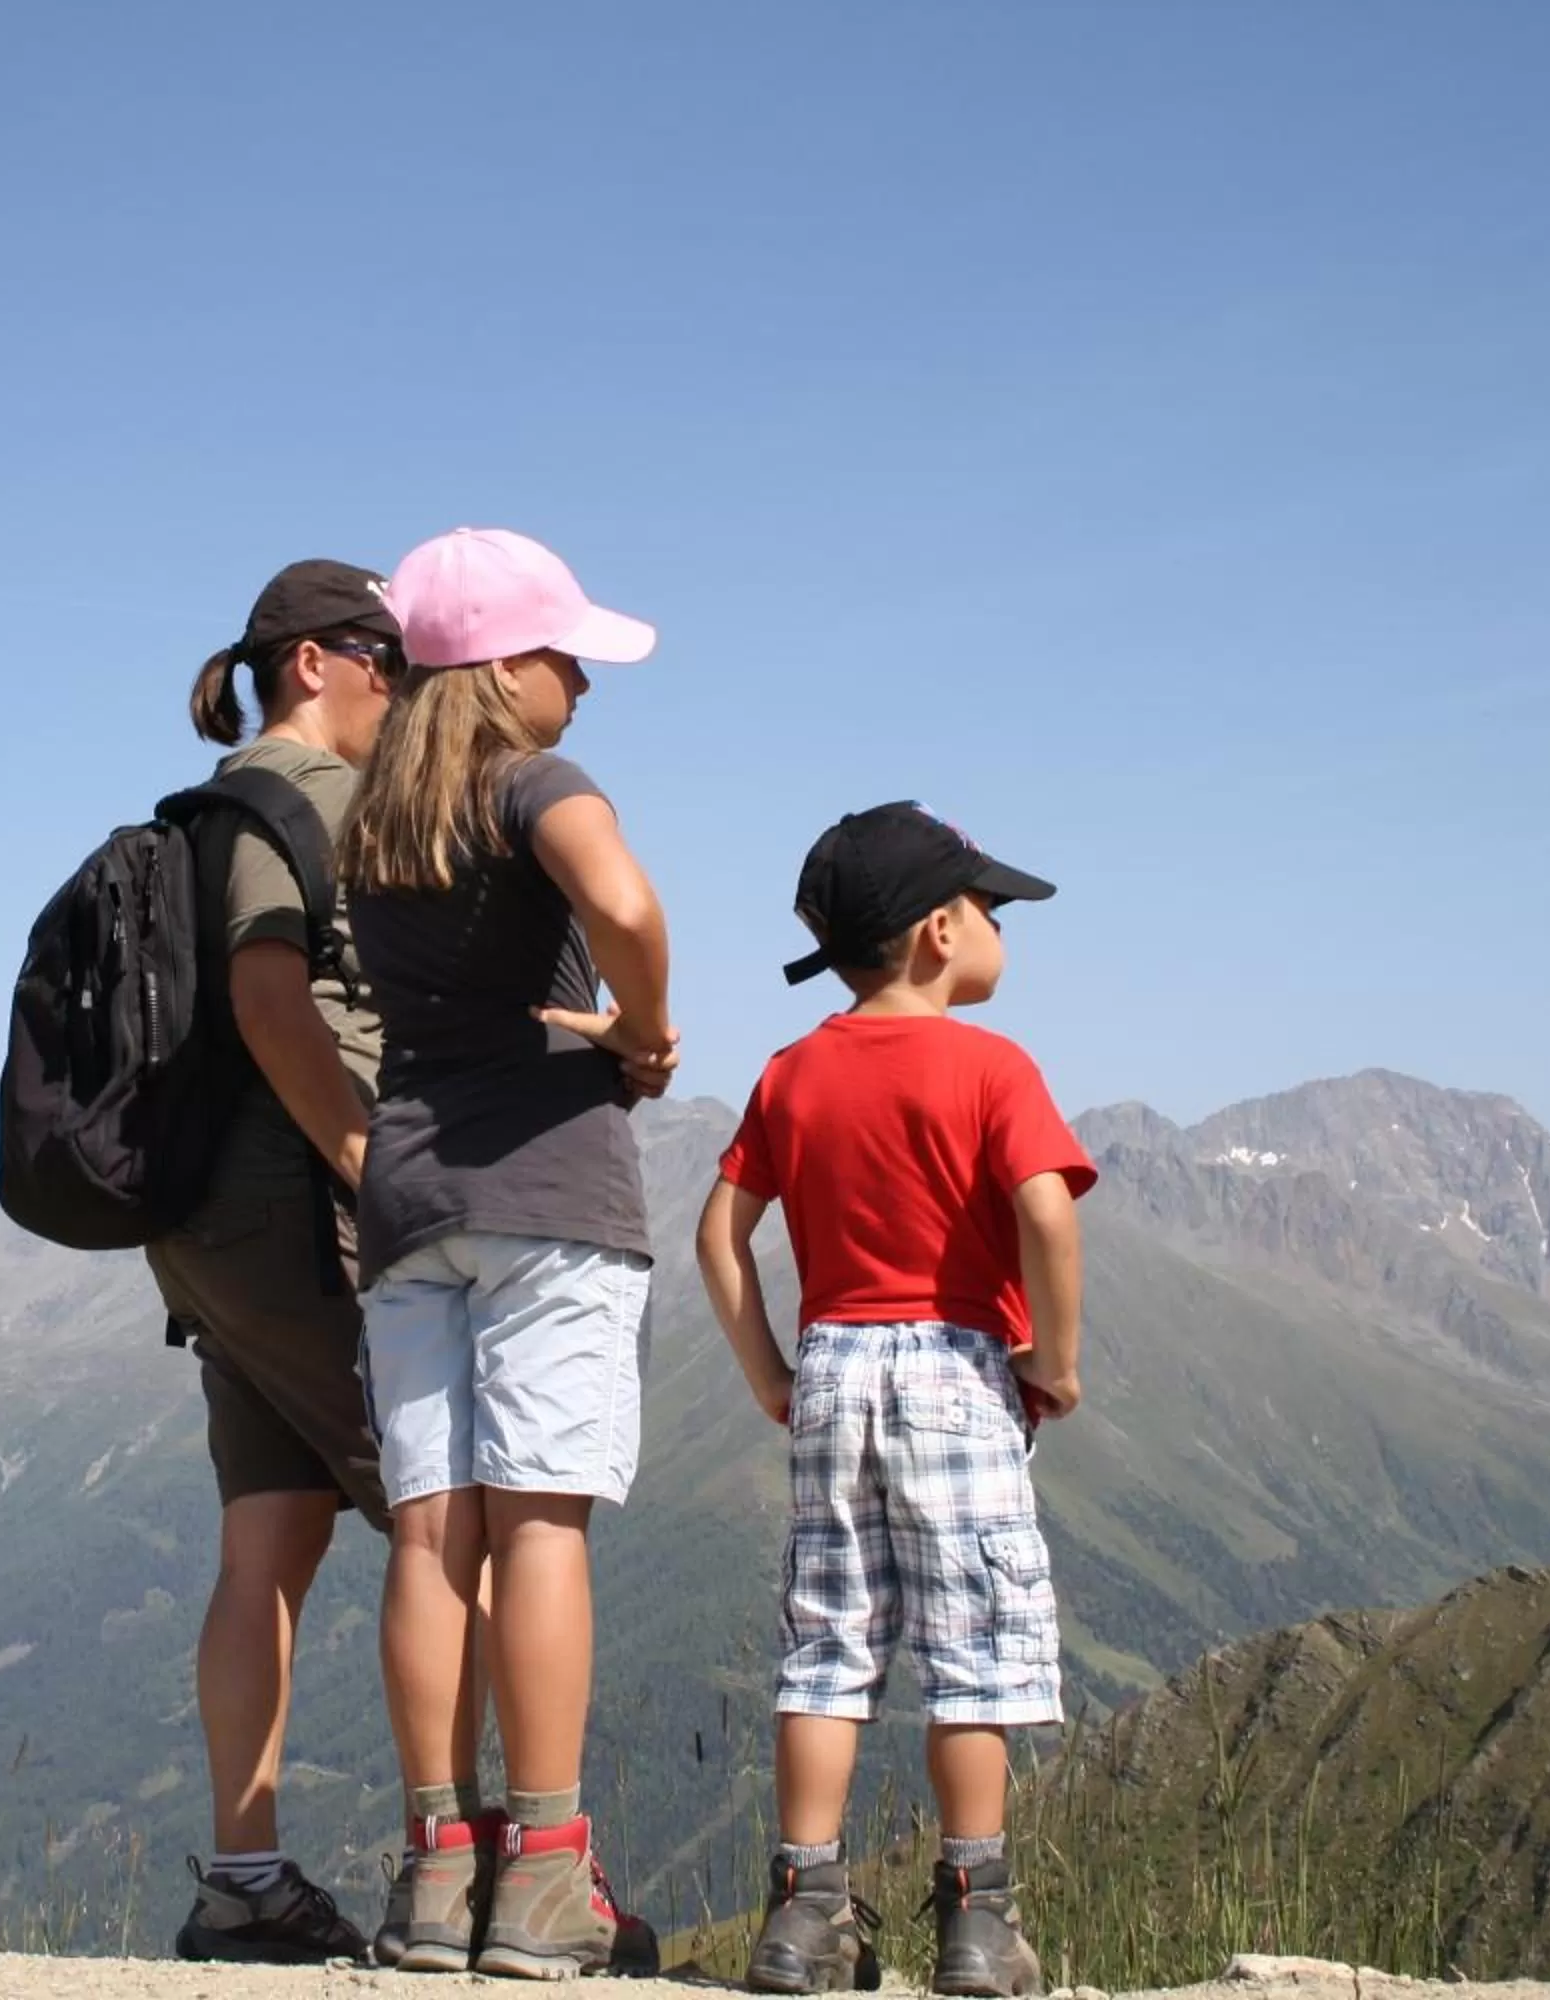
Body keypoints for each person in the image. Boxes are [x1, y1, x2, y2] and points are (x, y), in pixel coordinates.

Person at [341, 526, 677, 1980]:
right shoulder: (539, 782)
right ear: (497, 667)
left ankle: (436, 1868)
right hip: (547, 1192)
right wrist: (643, 1024)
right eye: (565, 657)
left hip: (410, 1201)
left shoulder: (375, 821)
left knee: (431, 1534)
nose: (584, 687)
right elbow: (626, 905)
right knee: (540, 1527)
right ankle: (544, 1874)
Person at [694, 802, 1094, 1998]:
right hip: (956, 1373)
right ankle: (978, 1919)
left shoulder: (792, 1069)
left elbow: (721, 1229)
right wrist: (1057, 1359)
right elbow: (1047, 1211)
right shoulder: (992, 1065)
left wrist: (768, 1369)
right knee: (971, 1651)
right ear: (936, 931)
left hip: (830, 1370)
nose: (997, 929)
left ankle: (804, 1909)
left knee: (828, 1644)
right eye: (988, 909)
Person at [151, 557, 462, 1964]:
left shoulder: (201, 815)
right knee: (444, 1520)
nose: (400, 687)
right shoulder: (304, 800)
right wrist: (364, 1164)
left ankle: (244, 1878)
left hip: (204, 1220)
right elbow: (274, 998)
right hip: (302, 1210)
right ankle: (465, 1872)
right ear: (314, 663)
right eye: (385, 659)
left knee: (265, 1541)